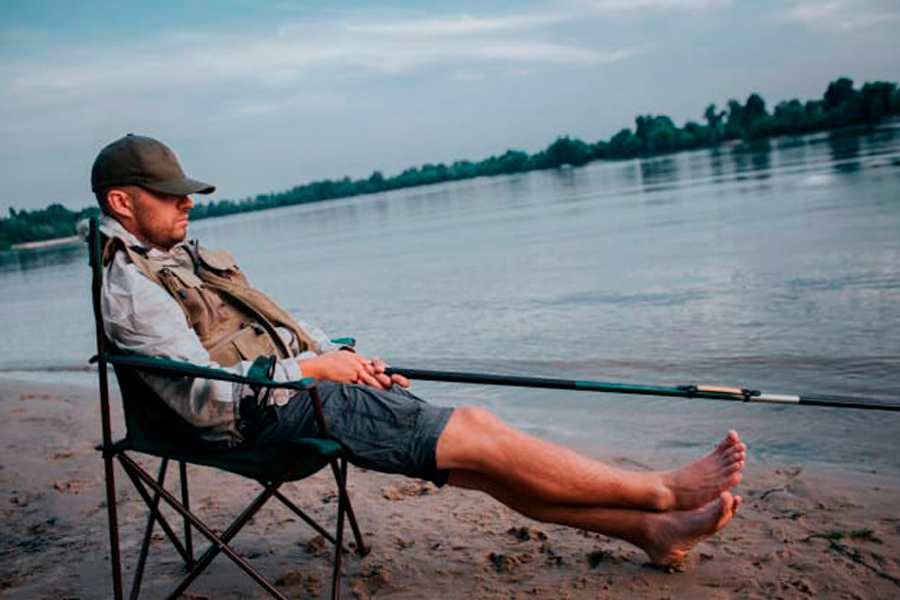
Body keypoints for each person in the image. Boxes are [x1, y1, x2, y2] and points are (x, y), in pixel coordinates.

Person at [91, 134, 746, 568]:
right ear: (123, 202)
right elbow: (207, 398)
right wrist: (318, 369)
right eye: (169, 192)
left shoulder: (184, 256)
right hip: (262, 419)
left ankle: (649, 533)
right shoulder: (132, 289)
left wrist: (345, 358)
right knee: (479, 433)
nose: (187, 201)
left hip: (300, 392)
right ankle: (660, 492)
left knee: (477, 462)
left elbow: (286, 329)